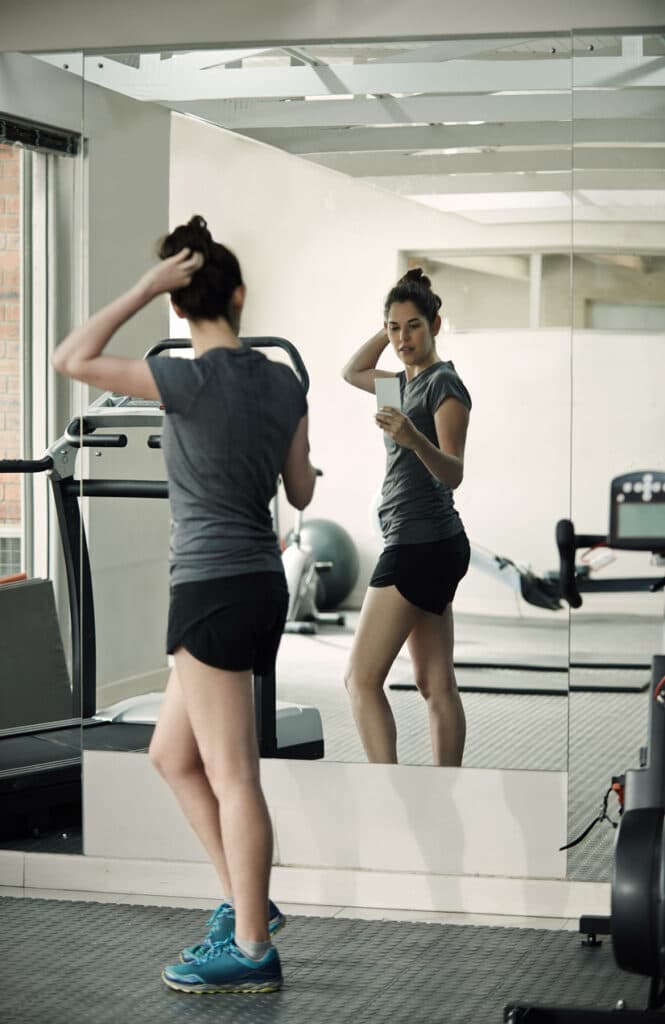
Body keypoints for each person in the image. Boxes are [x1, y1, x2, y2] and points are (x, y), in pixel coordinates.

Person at [52, 215, 317, 995]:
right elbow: (300, 491)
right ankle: (246, 900)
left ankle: (251, 947)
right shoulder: (282, 381)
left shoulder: (183, 379)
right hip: (258, 588)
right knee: (172, 756)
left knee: (233, 775)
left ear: (180, 303)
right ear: (238, 295)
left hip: (207, 589)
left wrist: (142, 286)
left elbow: (72, 357)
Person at [341, 268, 471, 766]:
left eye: (413, 326)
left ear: (435, 325)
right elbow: (352, 371)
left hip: (420, 543)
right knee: (435, 682)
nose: (402, 338)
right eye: (395, 329)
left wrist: (414, 439)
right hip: (425, 540)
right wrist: (391, 318)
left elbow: (454, 473)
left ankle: (388, 790)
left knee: (360, 678)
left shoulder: (445, 385)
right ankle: (446, 789)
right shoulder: (397, 385)